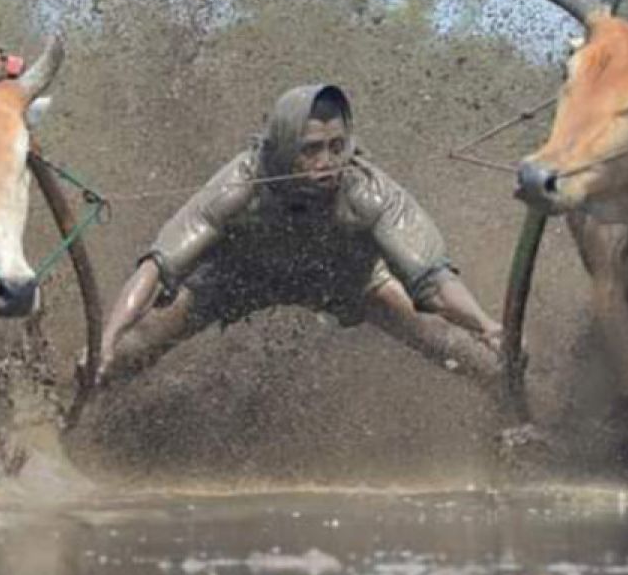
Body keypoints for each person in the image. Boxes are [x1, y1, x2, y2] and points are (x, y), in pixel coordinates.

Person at [92, 84, 503, 386]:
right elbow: (158, 267)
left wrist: (486, 325)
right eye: (311, 149)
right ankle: (66, 408)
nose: (327, 163)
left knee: (452, 342)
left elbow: (435, 281)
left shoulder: (367, 190)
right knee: (127, 349)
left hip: (347, 280)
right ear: (284, 148)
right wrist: (109, 339)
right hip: (237, 279)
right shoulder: (240, 186)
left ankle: (522, 404)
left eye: (337, 146)